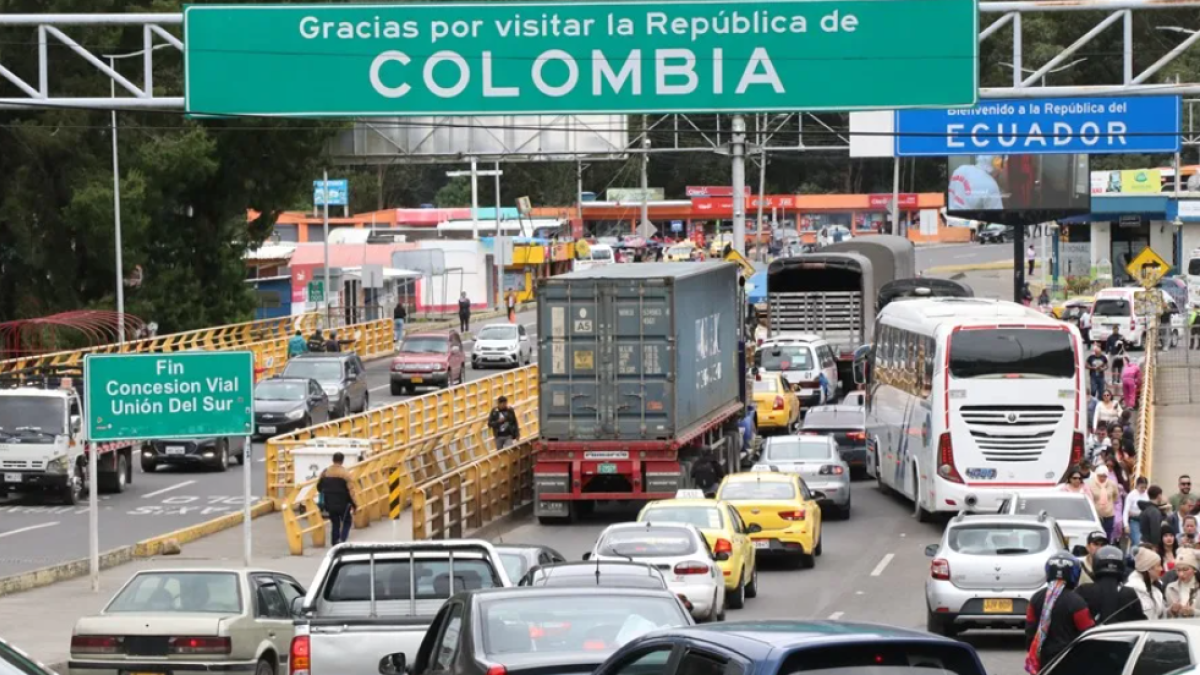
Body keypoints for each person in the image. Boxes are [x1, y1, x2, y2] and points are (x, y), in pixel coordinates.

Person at [1024, 552, 1095, 674]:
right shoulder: (1077, 602)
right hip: (1068, 659)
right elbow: (1087, 631)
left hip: (1043, 660)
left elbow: (1030, 629)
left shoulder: (1036, 598)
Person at [1077, 545, 1148, 625]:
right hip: (1122, 636)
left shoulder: (1084, 590)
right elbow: (1140, 622)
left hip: (1091, 636)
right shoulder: (1129, 593)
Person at [317, 452, 358, 547]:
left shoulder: (325, 472)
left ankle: (334, 542)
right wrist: (355, 504)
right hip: (343, 503)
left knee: (335, 522)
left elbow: (319, 487)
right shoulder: (345, 473)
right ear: (342, 461)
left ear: (333, 460)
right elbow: (351, 491)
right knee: (347, 521)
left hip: (329, 503)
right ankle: (342, 540)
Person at [1126, 546, 1166, 619]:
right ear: (1149, 569)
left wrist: (1170, 611)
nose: (1161, 569)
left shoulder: (1156, 589)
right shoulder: (1131, 590)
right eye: (1159, 565)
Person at [1089, 466, 1121, 541]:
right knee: (1096, 535)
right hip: (1096, 515)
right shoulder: (1091, 484)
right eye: (1100, 476)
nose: (1102, 478)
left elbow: (1115, 496)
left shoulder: (1112, 484)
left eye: (1104, 476)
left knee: (1107, 534)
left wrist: (1108, 504)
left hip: (1109, 514)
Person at [1166, 549, 1200, 618]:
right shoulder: (1170, 588)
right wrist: (1171, 610)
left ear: (1194, 569)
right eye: (1178, 570)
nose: (1181, 574)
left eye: (1185, 569)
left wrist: (1193, 612)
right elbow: (1162, 613)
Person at [1140, 486, 1171, 552]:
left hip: (1144, 543)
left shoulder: (1146, 509)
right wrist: (1155, 546)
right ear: (1159, 496)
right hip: (1150, 546)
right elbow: (1155, 530)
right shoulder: (1154, 512)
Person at [1124, 476, 1150, 548]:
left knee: (1144, 543)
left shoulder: (1147, 495)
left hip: (1144, 522)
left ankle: (1132, 557)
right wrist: (1126, 525)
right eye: (1142, 487)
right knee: (1137, 542)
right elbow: (1126, 511)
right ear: (1137, 485)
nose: (1143, 489)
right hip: (1134, 521)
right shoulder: (1131, 495)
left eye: (1145, 487)